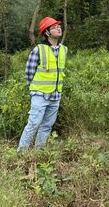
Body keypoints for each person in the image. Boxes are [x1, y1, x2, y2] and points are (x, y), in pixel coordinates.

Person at [17, 16, 67, 151]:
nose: (58, 28)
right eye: (54, 27)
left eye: (59, 26)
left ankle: (39, 153)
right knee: (33, 124)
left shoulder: (64, 50)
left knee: (46, 126)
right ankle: (21, 154)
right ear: (47, 32)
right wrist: (33, 90)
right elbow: (29, 72)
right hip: (40, 95)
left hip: (55, 95)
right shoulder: (39, 49)